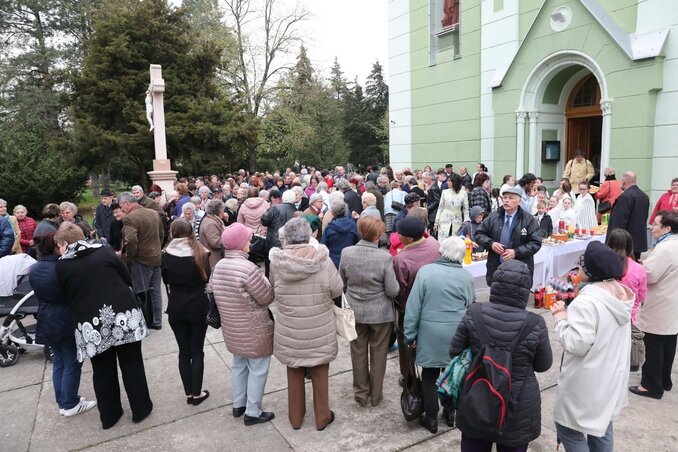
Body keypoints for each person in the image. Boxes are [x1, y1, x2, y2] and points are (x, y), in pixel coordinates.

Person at [55, 222, 153, 429]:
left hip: (91, 324)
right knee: (132, 363)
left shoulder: (63, 265)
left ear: (64, 243)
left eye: (59, 245)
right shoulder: (105, 251)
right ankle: (141, 409)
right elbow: (126, 277)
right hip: (123, 316)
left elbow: (66, 294)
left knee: (102, 369)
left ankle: (110, 416)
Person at [451, 260, 553, 450]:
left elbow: (455, 350)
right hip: (517, 406)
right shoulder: (535, 323)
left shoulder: (474, 312)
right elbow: (543, 365)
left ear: (495, 284)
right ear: (525, 290)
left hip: (478, 398)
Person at [550, 241, 634, 450]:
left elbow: (576, 343)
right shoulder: (618, 295)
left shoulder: (587, 302)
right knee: (602, 425)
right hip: (609, 376)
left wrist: (561, 318)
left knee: (568, 428)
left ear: (589, 271)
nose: (577, 270)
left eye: (580, 266)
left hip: (588, 379)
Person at [269, 218, 343, 431]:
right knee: (320, 370)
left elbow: (273, 290)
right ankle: (322, 417)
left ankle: (296, 418)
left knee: (294, 370)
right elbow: (337, 289)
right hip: (319, 326)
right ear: (308, 235)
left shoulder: (277, 262)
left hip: (290, 328)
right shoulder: (323, 260)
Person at [404, 236, 475, 434]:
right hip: (457, 332)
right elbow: (471, 305)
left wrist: (409, 335)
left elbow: (413, 307)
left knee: (429, 374)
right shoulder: (467, 277)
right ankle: (450, 413)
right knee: (453, 373)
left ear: (441, 251)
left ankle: (431, 418)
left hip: (430, 332)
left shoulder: (425, 272)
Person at [211, 222, 276, 424]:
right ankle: (253, 412)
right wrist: (266, 282)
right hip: (254, 329)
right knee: (258, 368)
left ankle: (239, 405)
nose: (251, 241)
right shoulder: (248, 269)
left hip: (233, 328)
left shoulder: (219, 266)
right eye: (247, 239)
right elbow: (267, 298)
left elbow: (213, 292)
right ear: (239, 244)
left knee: (239, 365)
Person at [31, 231, 97, 417]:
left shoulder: (36, 268)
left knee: (59, 361)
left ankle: (64, 400)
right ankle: (69, 403)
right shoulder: (61, 267)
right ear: (56, 247)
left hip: (47, 317)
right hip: (64, 317)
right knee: (72, 362)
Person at [339, 216, 399, 408]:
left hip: (355, 310)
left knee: (358, 353)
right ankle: (376, 394)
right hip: (380, 313)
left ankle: (361, 394)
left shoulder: (347, 253)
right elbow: (392, 290)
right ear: (379, 235)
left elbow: (343, 283)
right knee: (379, 353)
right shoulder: (384, 257)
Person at [161, 220, 210, 406]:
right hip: (198, 305)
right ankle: (197, 393)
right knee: (197, 351)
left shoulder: (166, 255)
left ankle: (189, 392)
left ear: (172, 232)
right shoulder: (201, 253)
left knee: (184, 352)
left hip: (176, 306)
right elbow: (207, 277)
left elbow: (165, 279)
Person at [632, 211, 678, 399]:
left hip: (661, 300)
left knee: (654, 343)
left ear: (667, 228)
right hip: (672, 299)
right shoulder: (672, 244)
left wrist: (640, 267)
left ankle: (650, 385)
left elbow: (650, 275)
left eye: (656, 225)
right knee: (669, 342)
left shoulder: (665, 248)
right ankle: (664, 380)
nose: (653, 228)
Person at [392, 216, 441, 378]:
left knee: (405, 344)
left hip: (410, 309)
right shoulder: (434, 243)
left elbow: (398, 289)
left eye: (400, 234)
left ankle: (409, 377)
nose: (397, 236)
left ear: (410, 238)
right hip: (435, 303)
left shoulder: (401, 260)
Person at [475, 186, 542, 286]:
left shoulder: (528, 220)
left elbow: (536, 243)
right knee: (496, 297)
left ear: (519, 201)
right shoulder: (494, 216)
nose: (506, 200)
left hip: (519, 270)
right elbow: (479, 234)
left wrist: (516, 252)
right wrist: (491, 244)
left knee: (515, 297)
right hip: (496, 268)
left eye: (511, 198)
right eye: (505, 197)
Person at [118, 192, 164, 330]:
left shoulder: (130, 218)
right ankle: (157, 320)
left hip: (141, 259)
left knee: (141, 291)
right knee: (156, 291)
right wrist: (157, 248)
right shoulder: (153, 213)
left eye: (121, 206)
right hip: (156, 257)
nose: (121, 210)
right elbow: (161, 234)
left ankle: (145, 321)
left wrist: (130, 257)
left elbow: (131, 240)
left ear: (127, 203)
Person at [607, 228, 646, 326]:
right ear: (630, 247)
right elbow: (641, 297)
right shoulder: (639, 269)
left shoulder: (605, 267)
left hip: (608, 314)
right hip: (630, 316)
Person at [607, 172, 650, 260]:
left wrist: (613, 242)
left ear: (623, 181)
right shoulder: (644, 196)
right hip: (638, 241)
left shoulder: (625, 197)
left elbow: (618, 222)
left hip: (625, 244)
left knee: (625, 270)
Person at [321, 197, 360, 269]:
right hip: (349, 260)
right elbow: (358, 242)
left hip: (333, 262)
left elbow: (323, 246)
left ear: (332, 212)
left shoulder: (329, 228)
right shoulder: (353, 225)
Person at [434, 173, 469, 242]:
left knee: (455, 243)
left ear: (455, 182)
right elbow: (440, 208)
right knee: (442, 243)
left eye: (450, 181)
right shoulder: (444, 192)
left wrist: (466, 222)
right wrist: (436, 222)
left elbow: (466, 209)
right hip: (444, 221)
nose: (447, 182)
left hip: (457, 222)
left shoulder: (463, 193)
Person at [199, 199, 225, 271]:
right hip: (213, 259)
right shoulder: (211, 223)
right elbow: (215, 243)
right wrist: (228, 237)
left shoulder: (211, 219)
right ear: (219, 212)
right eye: (223, 210)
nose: (224, 212)